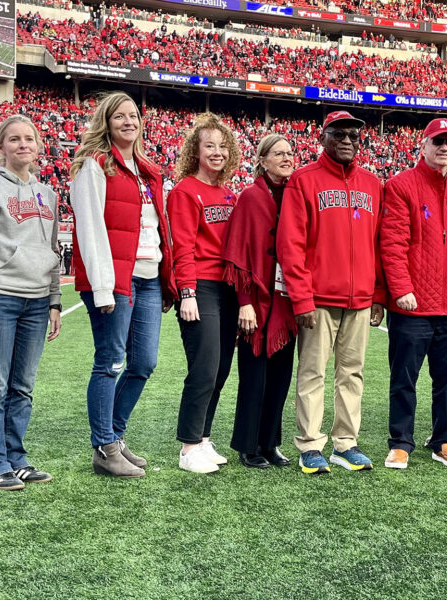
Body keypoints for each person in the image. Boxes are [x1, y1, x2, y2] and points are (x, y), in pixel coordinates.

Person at [70, 92, 177, 478]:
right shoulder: (94, 164)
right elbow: (90, 228)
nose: (128, 122)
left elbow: (156, 228)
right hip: (114, 279)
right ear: (106, 121)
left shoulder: (147, 170)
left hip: (148, 277)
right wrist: (102, 287)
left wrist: (167, 280)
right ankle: (104, 445)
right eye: (120, 116)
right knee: (110, 362)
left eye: (134, 115)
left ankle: (114, 436)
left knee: (144, 363)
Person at [276, 110, 385, 474]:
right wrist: (302, 297)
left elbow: (380, 244)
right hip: (319, 298)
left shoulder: (373, 183)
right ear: (323, 137)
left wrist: (379, 294)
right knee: (312, 373)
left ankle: (345, 442)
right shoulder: (304, 180)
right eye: (340, 134)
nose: (349, 141)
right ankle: (310, 444)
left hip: (360, 299)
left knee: (352, 373)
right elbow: (290, 245)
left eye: (355, 136)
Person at [381, 118, 447, 470]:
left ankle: (444, 439)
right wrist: (401, 289)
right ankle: (401, 441)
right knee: (404, 379)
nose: (445, 148)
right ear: (423, 145)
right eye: (438, 141)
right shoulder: (401, 185)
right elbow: (393, 243)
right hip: (412, 306)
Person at [0, 114, 61, 490]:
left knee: (23, 386)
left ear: (38, 147)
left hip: (37, 302)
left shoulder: (48, 193)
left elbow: (52, 250)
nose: (23, 145)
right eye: (14, 139)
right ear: (1, 146)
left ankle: (16, 457)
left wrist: (54, 301)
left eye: (29, 139)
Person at [167, 114, 241, 473]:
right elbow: (182, 246)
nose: (217, 151)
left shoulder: (228, 194)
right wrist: (187, 292)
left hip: (228, 288)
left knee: (222, 368)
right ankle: (188, 446)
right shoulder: (184, 191)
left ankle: (204, 436)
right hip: (201, 287)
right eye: (209, 145)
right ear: (194, 151)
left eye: (222, 145)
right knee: (204, 368)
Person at [223, 133, 298, 469]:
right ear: (263, 159)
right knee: (254, 377)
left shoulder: (296, 196)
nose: (286, 158)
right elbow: (238, 253)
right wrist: (244, 301)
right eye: (278, 153)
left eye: (290, 153)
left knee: (281, 377)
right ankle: (247, 444)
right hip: (256, 301)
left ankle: (271, 443)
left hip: (286, 302)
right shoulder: (251, 197)